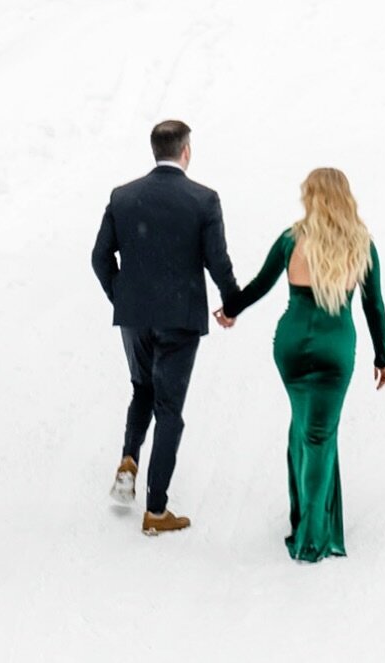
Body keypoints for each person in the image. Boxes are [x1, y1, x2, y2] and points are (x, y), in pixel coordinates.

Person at [217, 167, 385, 563]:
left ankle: (306, 516)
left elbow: (260, 284)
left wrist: (230, 310)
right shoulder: (362, 245)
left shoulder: (292, 239)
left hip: (292, 346)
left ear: (311, 198)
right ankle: (312, 538)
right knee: (319, 436)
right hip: (335, 348)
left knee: (302, 425)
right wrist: (382, 356)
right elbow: (373, 305)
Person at [91, 119, 240, 536]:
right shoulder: (203, 200)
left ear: (154, 150)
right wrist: (232, 302)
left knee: (142, 389)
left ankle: (128, 460)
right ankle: (156, 510)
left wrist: (123, 297)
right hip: (180, 319)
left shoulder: (123, 197)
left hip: (135, 318)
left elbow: (99, 257)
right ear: (186, 151)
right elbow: (217, 261)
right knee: (169, 409)